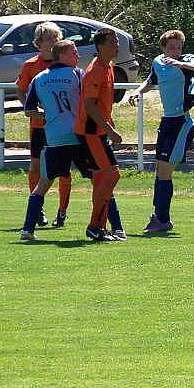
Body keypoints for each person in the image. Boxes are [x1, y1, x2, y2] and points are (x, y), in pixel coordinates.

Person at [128, 30, 194, 233]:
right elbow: (151, 80)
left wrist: (183, 64)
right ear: (164, 48)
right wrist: (137, 92)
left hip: (181, 123)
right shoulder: (158, 62)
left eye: (179, 47)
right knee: (160, 171)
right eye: (172, 47)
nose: (176, 51)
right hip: (166, 121)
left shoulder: (186, 62)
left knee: (164, 173)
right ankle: (159, 216)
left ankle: (162, 219)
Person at [20, 41, 93, 239]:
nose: (77, 56)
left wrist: (45, 114)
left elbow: (28, 110)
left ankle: (27, 229)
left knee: (44, 183)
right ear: (62, 56)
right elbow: (89, 101)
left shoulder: (39, 78)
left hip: (53, 138)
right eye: (74, 53)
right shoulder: (77, 74)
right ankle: (112, 226)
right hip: (78, 136)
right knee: (100, 179)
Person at [15, 21, 73, 228]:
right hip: (40, 127)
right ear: (38, 43)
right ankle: (37, 209)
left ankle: (62, 211)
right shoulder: (30, 65)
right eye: (48, 38)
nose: (53, 42)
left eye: (56, 37)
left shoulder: (68, 65)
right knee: (36, 167)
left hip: (63, 127)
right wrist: (30, 109)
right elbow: (21, 90)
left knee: (64, 170)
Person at [74, 28, 126, 241]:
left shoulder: (109, 66)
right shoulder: (95, 70)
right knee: (111, 174)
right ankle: (95, 226)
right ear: (100, 46)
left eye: (117, 42)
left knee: (102, 177)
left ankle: (100, 228)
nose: (117, 45)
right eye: (112, 42)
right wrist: (110, 130)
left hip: (97, 131)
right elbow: (89, 106)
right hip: (90, 132)